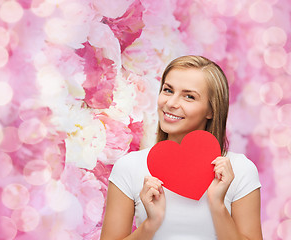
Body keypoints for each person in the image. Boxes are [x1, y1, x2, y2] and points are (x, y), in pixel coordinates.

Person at [100, 55, 263, 239]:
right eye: (168, 90)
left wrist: (218, 206)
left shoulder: (239, 170)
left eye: (189, 96)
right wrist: (151, 224)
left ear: (211, 109)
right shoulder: (129, 167)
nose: (171, 103)